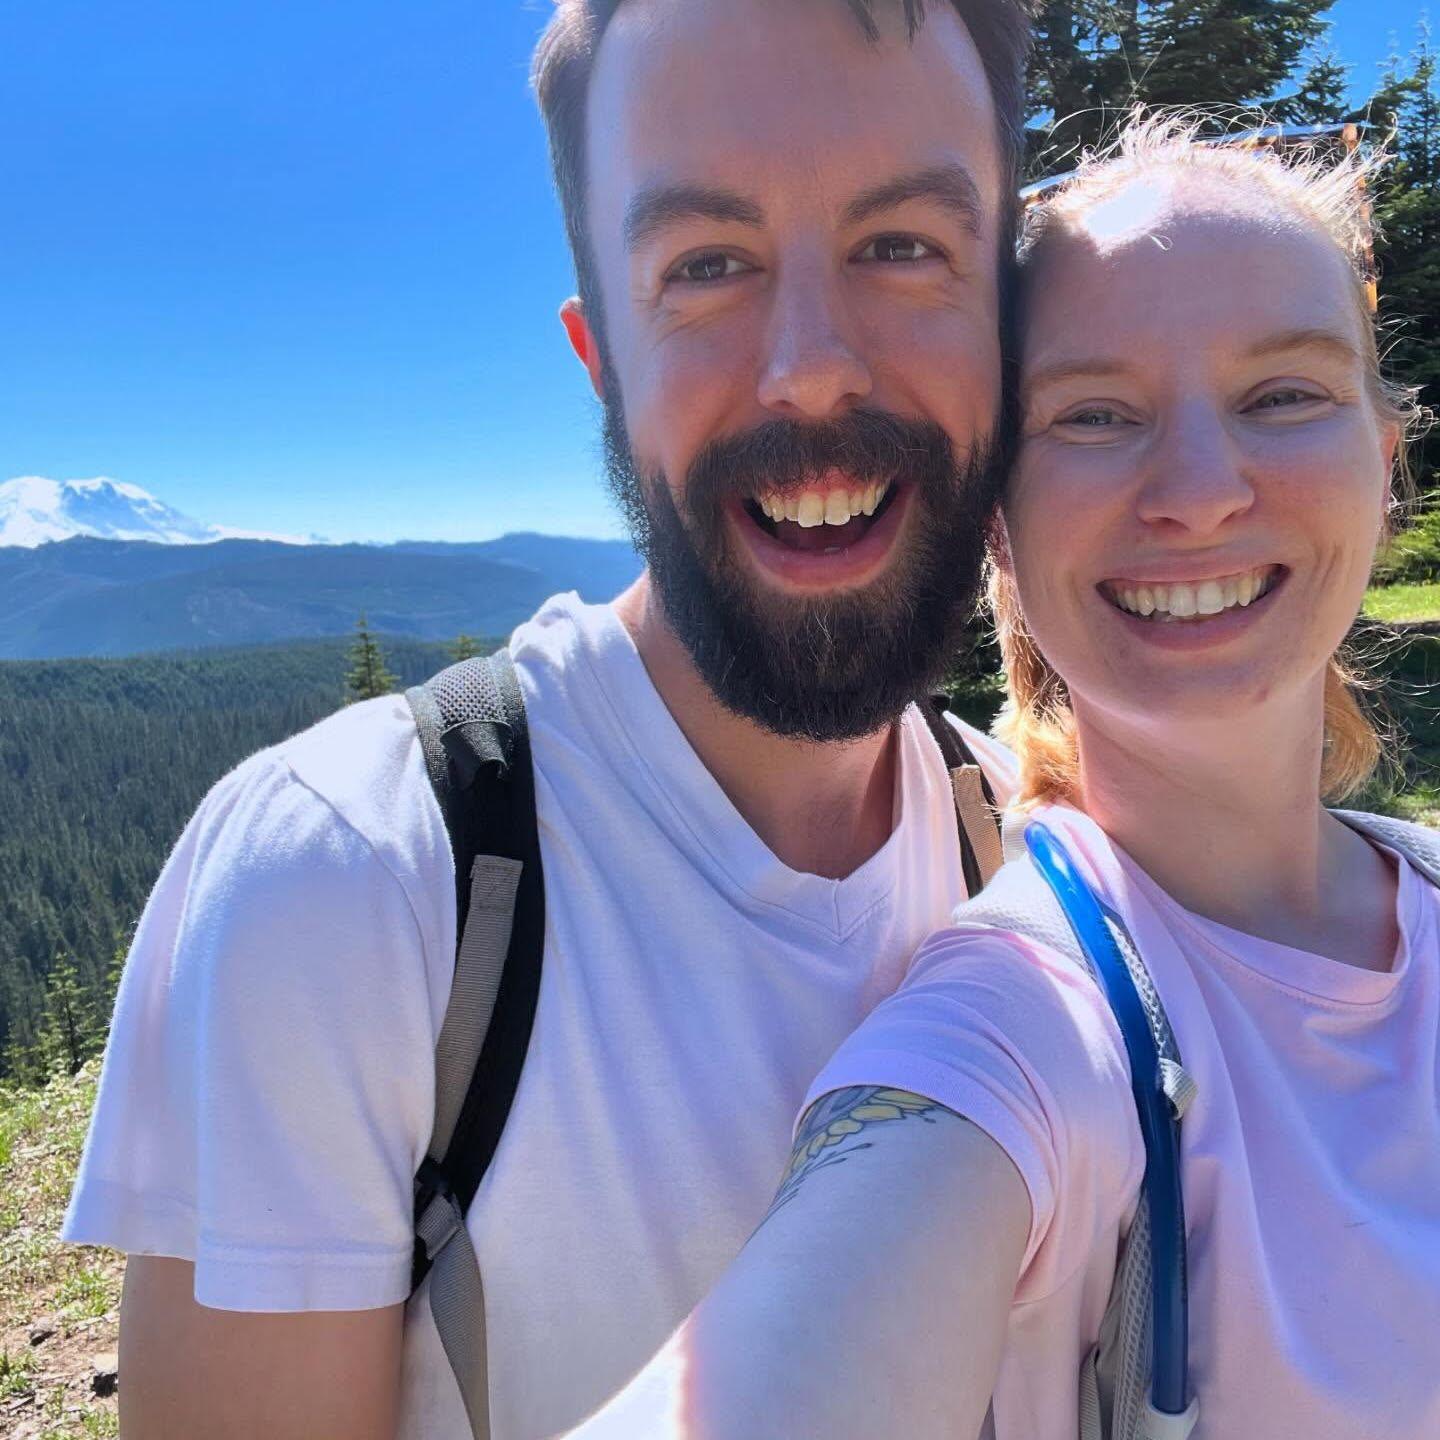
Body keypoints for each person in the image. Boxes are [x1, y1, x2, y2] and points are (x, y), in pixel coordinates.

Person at [58, 1, 1031, 1436]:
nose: (813, 365)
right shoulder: (353, 885)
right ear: (600, 358)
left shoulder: (1015, 847)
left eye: (903, 245)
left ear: (1009, 313)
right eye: (705, 265)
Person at [558, 114, 1438, 1440]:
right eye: (1094, 414)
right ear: (998, 529)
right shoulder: (1020, 1028)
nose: (1199, 490)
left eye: (1283, 395)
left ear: (1382, 465)